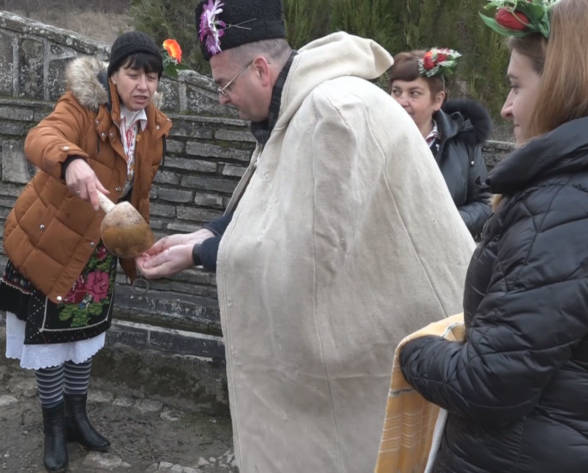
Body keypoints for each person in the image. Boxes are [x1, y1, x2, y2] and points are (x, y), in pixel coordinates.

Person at [139, 1, 477, 471]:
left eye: (223, 85)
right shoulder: (303, 104)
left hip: (405, 341)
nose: (221, 98)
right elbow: (275, 202)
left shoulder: (333, 110)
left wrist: (201, 252)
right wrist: (209, 232)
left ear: (260, 69)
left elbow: (308, 252)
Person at [399, 0, 588, 471]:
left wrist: (412, 350)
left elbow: (490, 383)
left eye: (517, 86)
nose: (506, 106)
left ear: (565, 86)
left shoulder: (570, 204)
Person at [0, 31, 171, 473]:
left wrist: (138, 248)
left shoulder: (153, 126)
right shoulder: (82, 106)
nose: (142, 85)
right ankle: (53, 426)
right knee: (51, 342)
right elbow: (42, 136)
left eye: (151, 75)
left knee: (83, 340)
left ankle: (77, 417)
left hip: (98, 253)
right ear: (113, 75)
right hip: (52, 242)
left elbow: (139, 197)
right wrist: (71, 159)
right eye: (133, 73)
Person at [389, 48, 492, 237]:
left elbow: (484, 203)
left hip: (444, 254)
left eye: (414, 93)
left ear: (437, 100)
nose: (401, 101)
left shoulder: (463, 142)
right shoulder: (377, 140)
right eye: (396, 92)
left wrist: (444, 223)